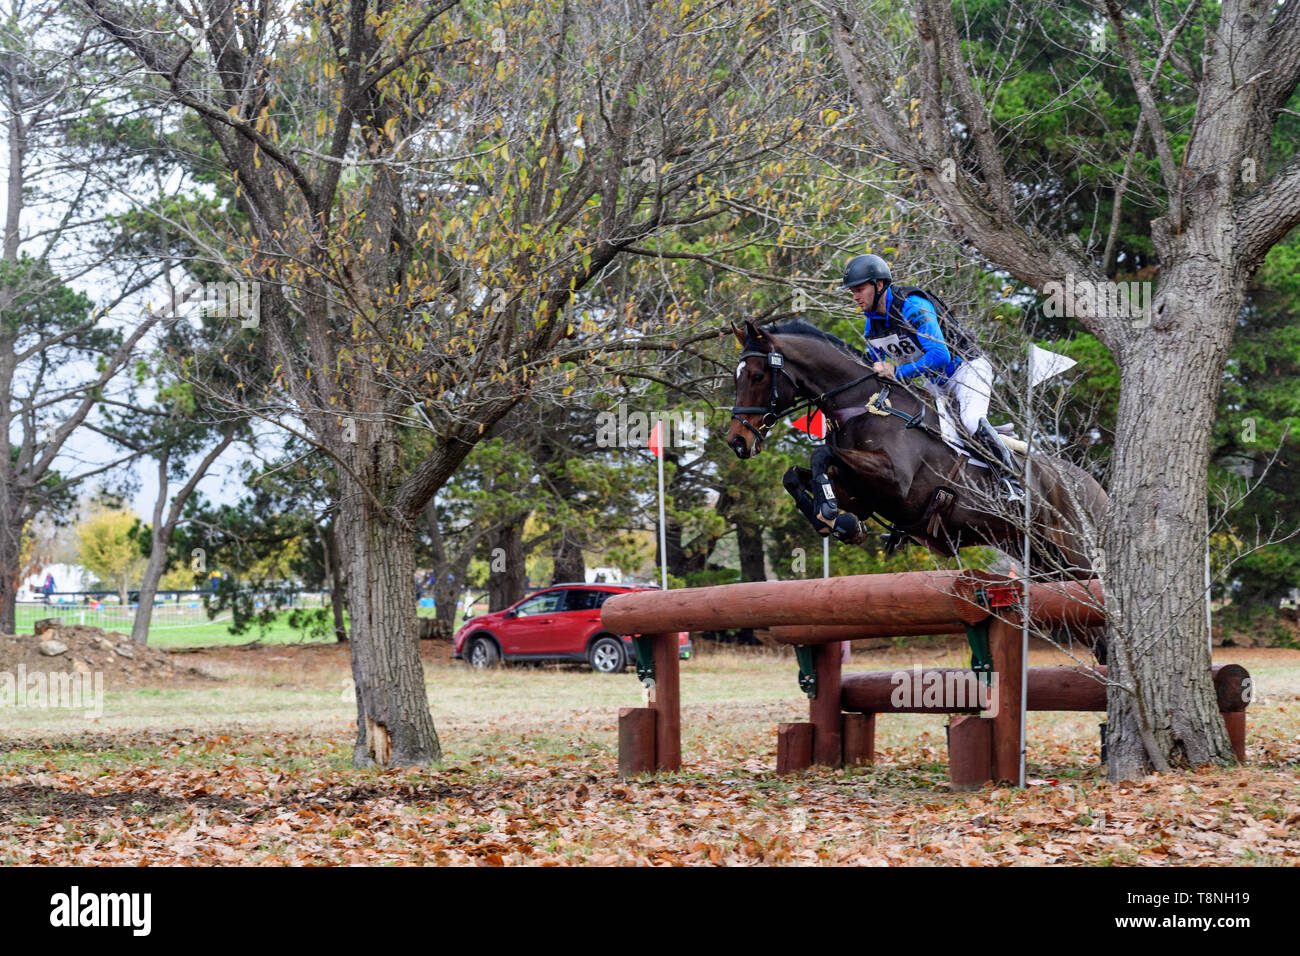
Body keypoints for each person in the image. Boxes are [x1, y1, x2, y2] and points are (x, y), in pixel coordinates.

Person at [841, 253, 1024, 502]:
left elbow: (940, 356)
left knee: (970, 421)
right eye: (852, 291)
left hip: (966, 369)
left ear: (879, 284)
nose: (855, 297)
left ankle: (1012, 481)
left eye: (859, 289)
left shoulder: (913, 306)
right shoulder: (871, 327)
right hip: (935, 381)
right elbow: (878, 368)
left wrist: (897, 372)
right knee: (931, 434)